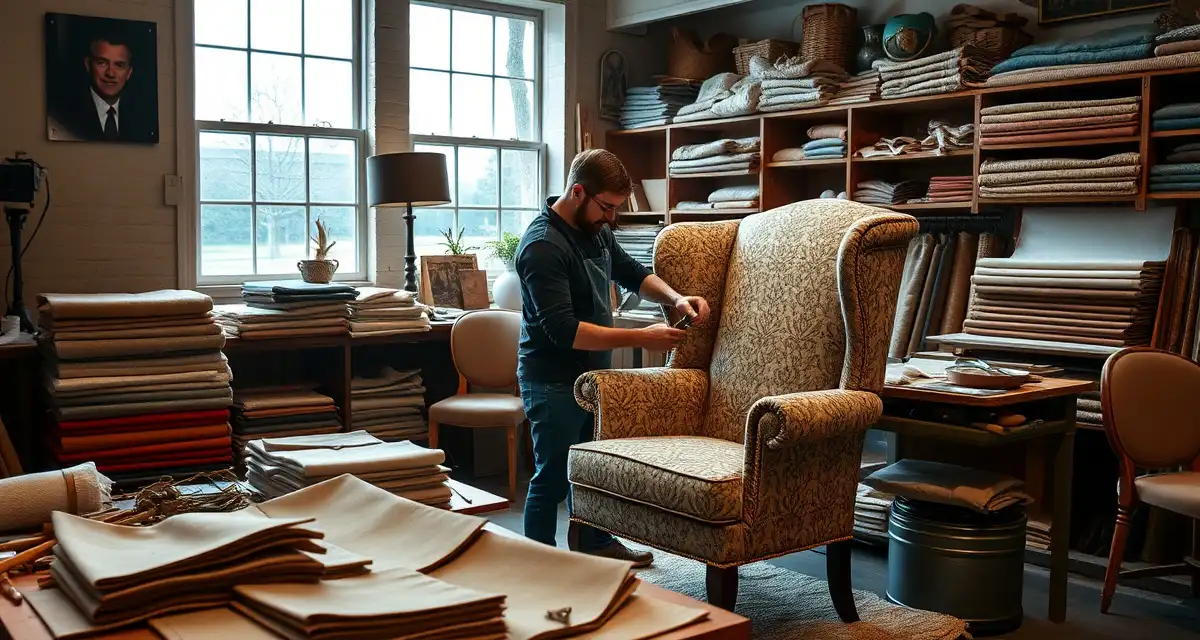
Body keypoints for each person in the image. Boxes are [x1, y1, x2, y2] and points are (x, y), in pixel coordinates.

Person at [515, 149, 711, 567]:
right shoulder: (542, 248)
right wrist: (643, 337)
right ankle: (537, 563)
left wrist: (676, 298)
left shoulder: (597, 227)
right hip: (550, 378)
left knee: (594, 470)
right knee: (552, 475)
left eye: (616, 209)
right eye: (606, 207)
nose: (612, 218)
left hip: (594, 375)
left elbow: (631, 270)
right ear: (577, 191)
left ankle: (596, 545)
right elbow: (564, 331)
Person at [50, 29, 155, 143]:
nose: (110, 73)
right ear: (87, 64)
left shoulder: (144, 118)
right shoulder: (63, 114)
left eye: (119, 65)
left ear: (129, 72)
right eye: (102, 63)